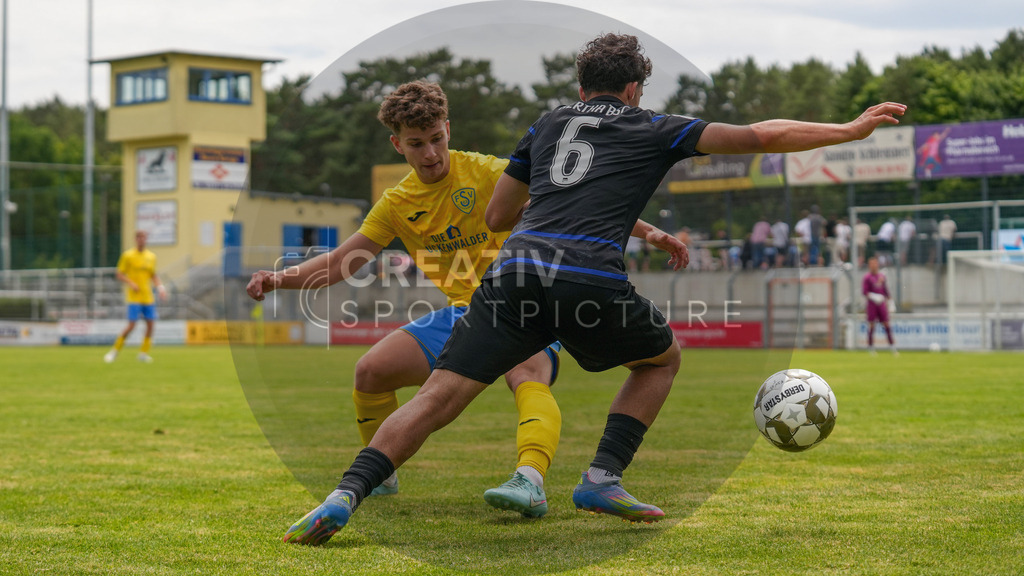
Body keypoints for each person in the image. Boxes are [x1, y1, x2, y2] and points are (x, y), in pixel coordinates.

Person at [280, 32, 906, 546]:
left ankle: (345, 494)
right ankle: (601, 477)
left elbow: (498, 218)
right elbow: (760, 136)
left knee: (440, 396)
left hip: (512, 276)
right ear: (635, 89)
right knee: (661, 358)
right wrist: (849, 130)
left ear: (580, 88)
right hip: (588, 277)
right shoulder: (654, 125)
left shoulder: (550, 122)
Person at [248, 80, 678, 518]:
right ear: (398, 144)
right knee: (370, 371)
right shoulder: (396, 203)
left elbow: (576, 199)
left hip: (522, 304)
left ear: (448, 129)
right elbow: (340, 264)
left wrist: (650, 232)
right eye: (417, 144)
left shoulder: (489, 171)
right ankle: (382, 476)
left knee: (527, 372)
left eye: (436, 139)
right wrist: (277, 279)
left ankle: (529, 479)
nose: (430, 154)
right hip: (464, 313)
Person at [104, 230, 167, 363]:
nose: (142, 241)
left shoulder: (151, 256)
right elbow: (119, 274)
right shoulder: (128, 256)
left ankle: (143, 354)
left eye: (144, 238)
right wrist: (131, 283)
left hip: (148, 297)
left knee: (150, 325)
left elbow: (153, 275)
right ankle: (114, 351)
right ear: (136, 240)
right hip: (134, 297)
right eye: (139, 238)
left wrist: (161, 288)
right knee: (132, 325)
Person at [863, 256, 897, 355]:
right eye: (871, 264)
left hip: (881, 304)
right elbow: (865, 292)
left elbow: (886, 290)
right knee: (871, 325)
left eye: (875, 263)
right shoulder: (867, 278)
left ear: (877, 264)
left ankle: (892, 347)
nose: (873, 265)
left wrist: (891, 303)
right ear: (869, 265)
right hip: (872, 304)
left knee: (886, 324)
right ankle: (871, 347)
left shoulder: (882, 277)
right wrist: (874, 296)